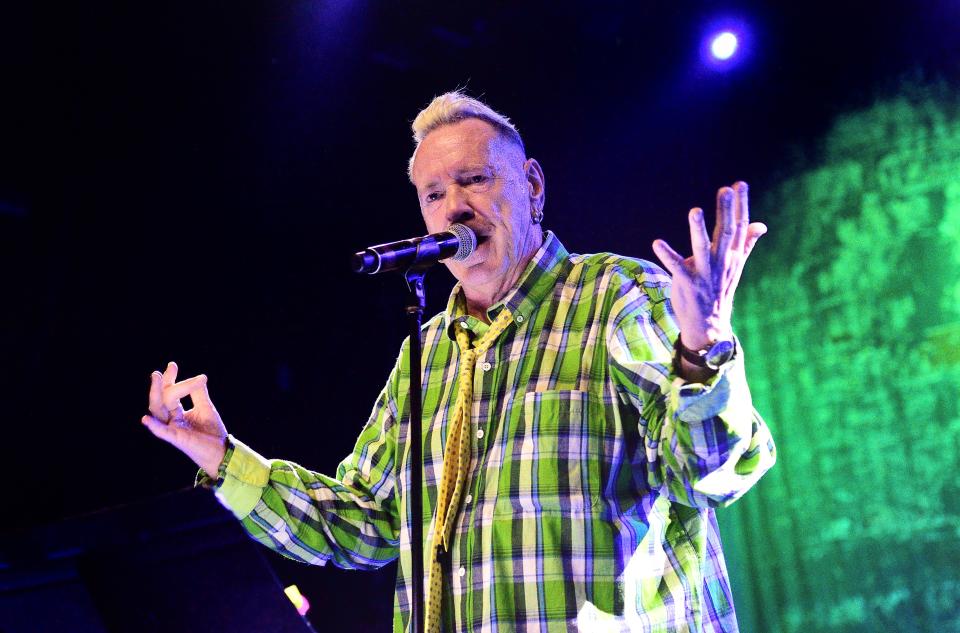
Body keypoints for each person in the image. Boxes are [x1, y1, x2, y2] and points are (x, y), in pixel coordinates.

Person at [141, 91, 776, 632]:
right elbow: (362, 522)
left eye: (474, 180)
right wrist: (223, 459)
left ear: (531, 185)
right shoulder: (425, 353)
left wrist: (704, 349)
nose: (454, 208)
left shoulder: (619, 299)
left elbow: (709, 475)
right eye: (433, 193)